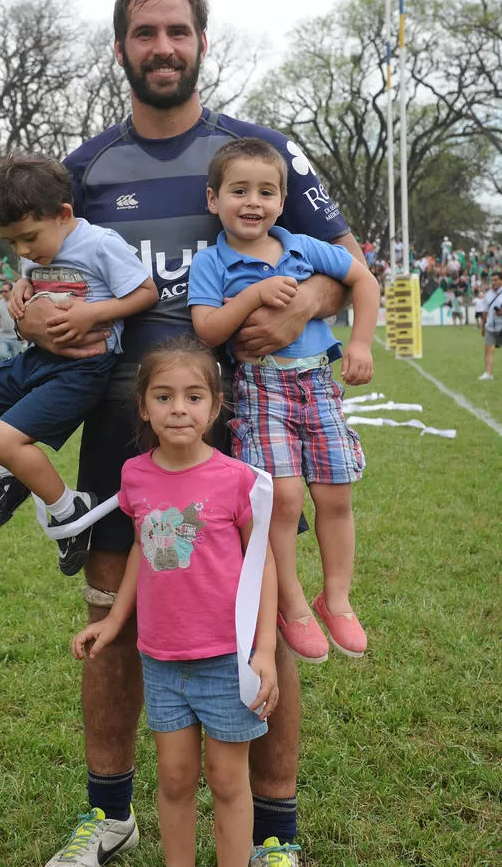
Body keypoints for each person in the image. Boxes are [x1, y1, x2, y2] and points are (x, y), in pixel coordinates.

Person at [6, 0, 364, 867]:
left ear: (202, 41)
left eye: (177, 31)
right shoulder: (82, 170)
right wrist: (24, 302)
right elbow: (36, 260)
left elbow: (351, 260)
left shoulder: (257, 152)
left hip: (248, 423)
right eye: (143, 32)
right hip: (122, 429)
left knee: (259, 616)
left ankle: (275, 835)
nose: (161, 48)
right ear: (121, 46)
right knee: (116, 618)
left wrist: (304, 307)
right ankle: (109, 815)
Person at [72, 337, 284, 867]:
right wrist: (115, 621)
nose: (179, 409)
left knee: (228, 782)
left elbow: (265, 566)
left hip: (226, 662)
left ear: (216, 406)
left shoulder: (239, 481)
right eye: (163, 397)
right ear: (143, 406)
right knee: (174, 778)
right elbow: (146, 552)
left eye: (193, 397)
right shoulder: (135, 475)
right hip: (162, 660)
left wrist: (263, 651)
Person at [188, 138, 379, 663]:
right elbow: (206, 330)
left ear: (282, 200)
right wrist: (252, 295)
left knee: (336, 492)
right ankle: (291, 605)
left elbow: (363, 279)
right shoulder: (212, 263)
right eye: (239, 190)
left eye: (266, 192)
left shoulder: (301, 246)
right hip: (262, 388)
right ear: (214, 200)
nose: (253, 202)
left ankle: (335, 599)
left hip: (318, 384)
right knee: (285, 499)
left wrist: (359, 342)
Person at [0, 154, 157, 567]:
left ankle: (69, 510)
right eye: (12, 243)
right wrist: (19, 286)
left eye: (28, 238)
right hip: (38, 356)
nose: (23, 250)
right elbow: (34, 275)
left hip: (84, 367)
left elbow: (146, 292)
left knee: (3, 438)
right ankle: (13, 476)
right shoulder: (38, 251)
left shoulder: (101, 244)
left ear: (63, 214)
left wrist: (93, 313)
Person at [478, 270, 502, 380]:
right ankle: (488, 373)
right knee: (489, 349)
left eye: (496, 280)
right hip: (490, 326)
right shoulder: (488, 294)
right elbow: (485, 311)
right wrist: (483, 326)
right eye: (492, 280)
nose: (494, 282)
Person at [0, 282, 25, 359]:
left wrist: (24, 335)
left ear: (11, 290)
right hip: (3, 337)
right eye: (2, 291)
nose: (3, 293)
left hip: (16, 337)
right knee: (1, 355)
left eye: (5, 291)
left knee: (18, 360)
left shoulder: (19, 302)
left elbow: (23, 319)